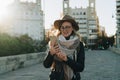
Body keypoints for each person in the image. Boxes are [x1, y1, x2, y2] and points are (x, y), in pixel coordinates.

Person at [43, 15, 85, 80]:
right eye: (62, 27)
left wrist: (66, 59)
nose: (65, 30)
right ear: (60, 29)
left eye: (67, 27)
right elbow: (46, 65)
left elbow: (80, 68)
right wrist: (51, 54)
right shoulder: (54, 42)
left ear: (72, 28)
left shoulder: (79, 44)